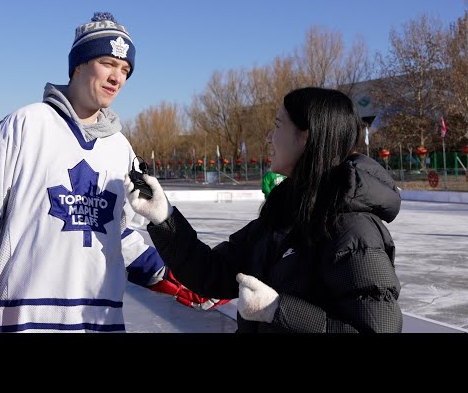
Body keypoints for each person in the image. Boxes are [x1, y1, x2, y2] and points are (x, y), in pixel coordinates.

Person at [0, 12, 227, 333]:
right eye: (108, 63)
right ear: (78, 65)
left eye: (125, 69)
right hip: (24, 319)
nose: (118, 77)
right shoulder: (26, 125)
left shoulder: (120, 148)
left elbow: (118, 235)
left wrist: (176, 278)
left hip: (101, 320)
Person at [125, 86, 403, 333]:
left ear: (305, 137)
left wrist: (278, 310)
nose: (270, 137)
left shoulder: (355, 230)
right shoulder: (284, 214)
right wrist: (165, 218)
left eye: (278, 125)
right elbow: (213, 273)